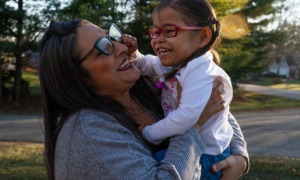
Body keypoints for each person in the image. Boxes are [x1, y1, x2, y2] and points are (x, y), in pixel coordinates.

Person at [38, 19, 249, 180]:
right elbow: (202, 113)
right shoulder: (89, 131)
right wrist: (193, 124)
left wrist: (240, 156)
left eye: (113, 37)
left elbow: (214, 102)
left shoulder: (147, 85)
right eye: (104, 47)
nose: (121, 47)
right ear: (77, 78)